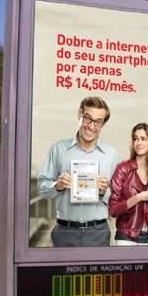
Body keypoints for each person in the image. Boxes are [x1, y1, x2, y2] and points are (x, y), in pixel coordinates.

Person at [37, 96, 117, 247]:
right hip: (64, 233)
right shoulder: (58, 149)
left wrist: (103, 191)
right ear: (79, 115)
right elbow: (42, 189)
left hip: (98, 233)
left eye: (98, 121)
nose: (91, 126)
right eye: (87, 118)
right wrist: (57, 185)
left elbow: (118, 201)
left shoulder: (111, 154)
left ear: (103, 124)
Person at [109, 123, 148, 245]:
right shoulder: (123, 169)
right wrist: (139, 197)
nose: (138, 142)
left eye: (143, 139)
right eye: (135, 139)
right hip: (126, 237)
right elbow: (113, 210)